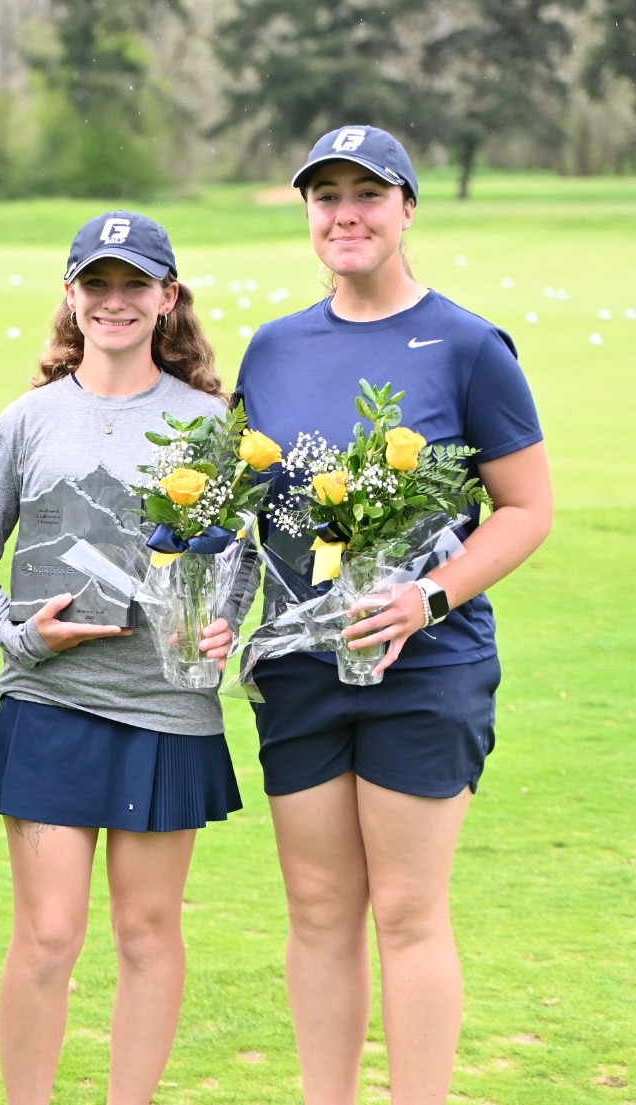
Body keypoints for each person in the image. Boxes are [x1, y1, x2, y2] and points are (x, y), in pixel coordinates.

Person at [234, 125, 552, 1105]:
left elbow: (526, 508)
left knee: (408, 910)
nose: (344, 214)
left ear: (405, 208)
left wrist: (424, 596)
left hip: (427, 663)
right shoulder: (274, 346)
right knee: (319, 907)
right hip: (299, 667)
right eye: (324, 196)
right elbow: (246, 510)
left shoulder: (465, 344)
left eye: (365, 195)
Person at [0, 211, 243, 1105]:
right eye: (97, 284)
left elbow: (233, 556)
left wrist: (223, 623)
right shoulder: (29, 419)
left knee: (150, 934)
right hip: (49, 703)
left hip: (166, 708)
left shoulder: (211, 422)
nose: (114, 302)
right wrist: (17, 631)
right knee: (47, 936)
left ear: (166, 297)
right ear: (71, 297)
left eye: (134, 285)